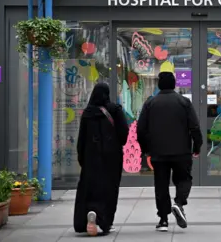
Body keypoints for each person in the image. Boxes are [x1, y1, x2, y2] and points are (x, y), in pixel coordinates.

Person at [137, 71, 203, 232]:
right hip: (181, 151)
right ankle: (179, 203)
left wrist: (146, 150)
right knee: (184, 179)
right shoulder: (184, 102)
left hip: (158, 152)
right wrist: (197, 146)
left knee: (161, 185)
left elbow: (140, 130)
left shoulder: (150, 103)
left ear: (159, 85)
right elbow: (194, 126)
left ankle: (163, 219)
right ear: (174, 84)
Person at [74, 83, 129, 236]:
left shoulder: (87, 113)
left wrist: (82, 158)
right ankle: (105, 222)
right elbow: (124, 135)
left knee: (90, 188)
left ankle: (89, 213)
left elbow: (81, 140)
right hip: (112, 158)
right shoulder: (115, 110)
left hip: (91, 158)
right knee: (109, 189)